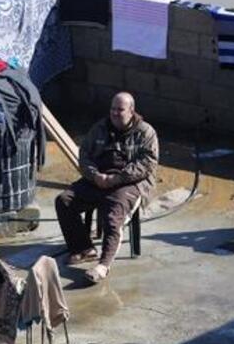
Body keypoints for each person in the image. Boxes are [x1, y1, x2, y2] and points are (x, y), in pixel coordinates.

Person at [55, 92, 159, 283]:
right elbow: (84, 154)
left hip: (129, 183)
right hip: (99, 178)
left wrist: (116, 179)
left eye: (120, 110)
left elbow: (147, 164)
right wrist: (95, 175)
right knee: (64, 200)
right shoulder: (100, 128)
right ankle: (83, 249)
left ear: (131, 111)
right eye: (112, 109)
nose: (115, 113)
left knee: (113, 217)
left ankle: (103, 266)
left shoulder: (146, 132)